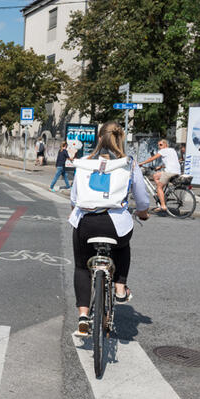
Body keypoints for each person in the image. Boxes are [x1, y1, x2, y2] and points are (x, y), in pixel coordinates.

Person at [70, 121, 150, 335]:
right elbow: (142, 199)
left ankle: (83, 316)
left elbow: (75, 197)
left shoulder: (85, 162)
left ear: (98, 138)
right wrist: (143, 212)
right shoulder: (129, 163)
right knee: (123, 245)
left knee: (81, 267)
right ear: (121, 139)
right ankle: (120, 287)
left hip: (86, 224)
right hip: (116, 225)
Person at [139, 138, 181, 214]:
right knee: (155, 175)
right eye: (158, 145)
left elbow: (153, 158)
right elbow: (171, 162)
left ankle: (163, 205)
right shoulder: (172, 150)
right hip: (176, 171)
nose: (159, 146)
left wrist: (142, 163)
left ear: (165, 145)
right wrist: (161, 167)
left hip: (169, 172)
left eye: (161, 145)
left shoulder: (163, 151)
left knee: (159, 187)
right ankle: (160, 194)